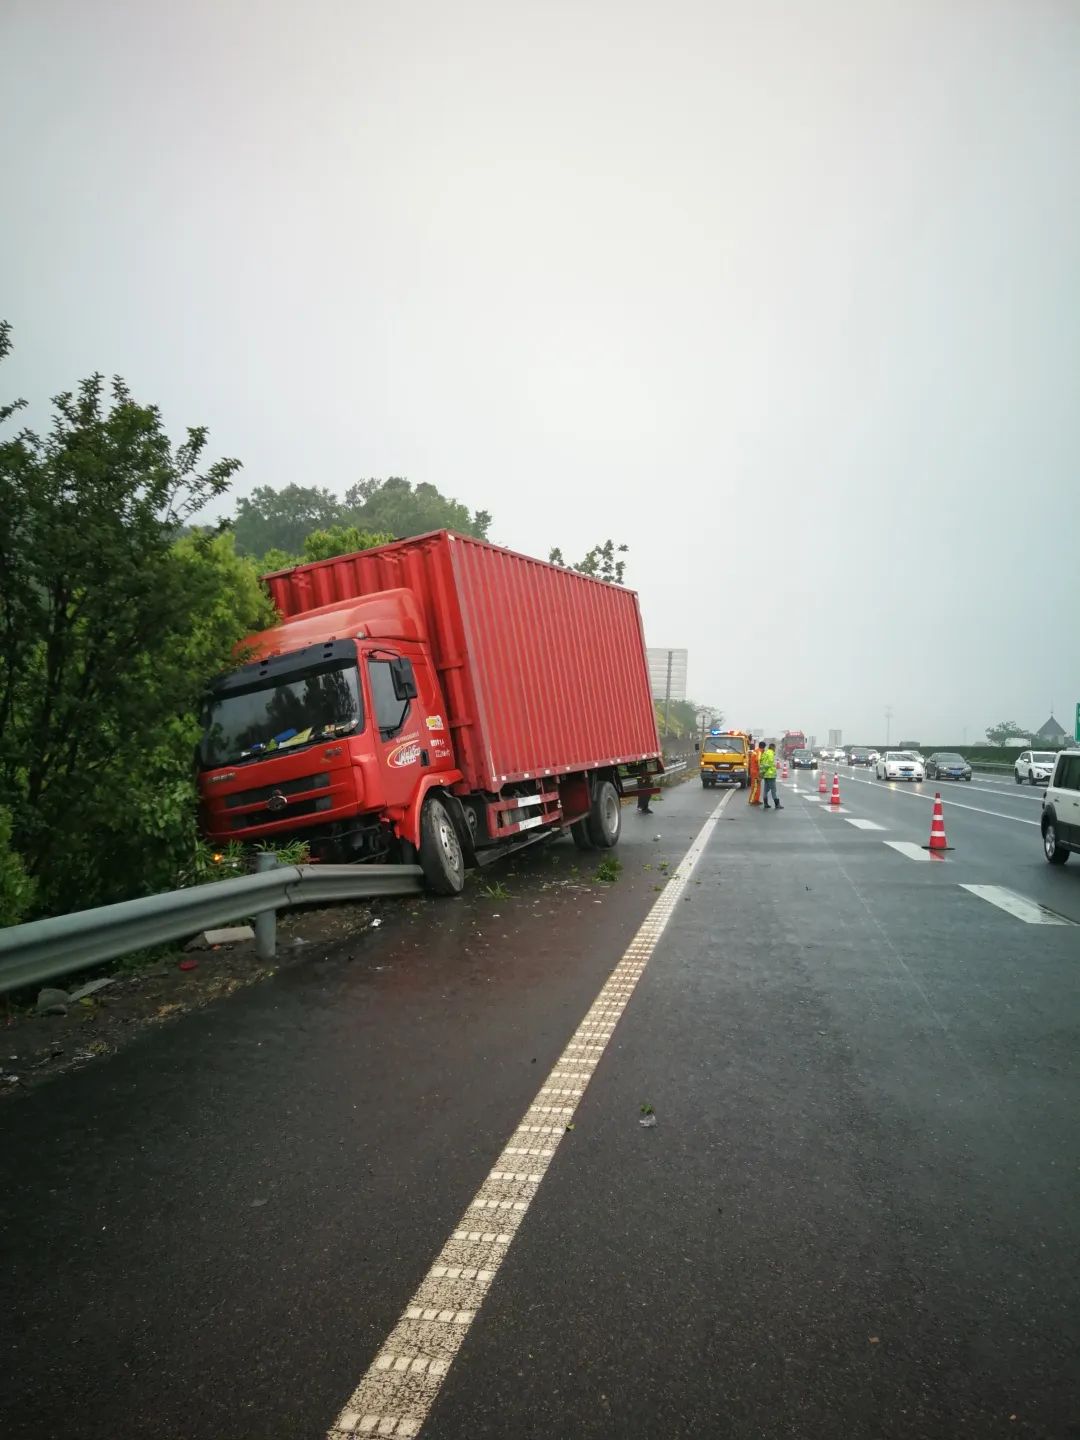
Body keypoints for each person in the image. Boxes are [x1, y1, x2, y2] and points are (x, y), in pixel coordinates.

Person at [761, 740, 782, 810]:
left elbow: (762, 763)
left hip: (766, 775)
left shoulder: (765, 753)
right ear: (773, 748)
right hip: (771, 775)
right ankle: (777, 804)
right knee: (773, 790)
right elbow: (769, 764)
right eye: (775, 748)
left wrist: (762, 772)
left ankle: (766, 804)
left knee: (765, 790)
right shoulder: (771, 754)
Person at [747, 738, 762, 805]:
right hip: (756, 772)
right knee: (755, 786)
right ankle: (752, 800)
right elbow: (758, 761)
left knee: (757, 786)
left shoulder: (755, 751)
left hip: (753, 771)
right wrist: (760, 770)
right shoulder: (759, 752)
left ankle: (756, 800)